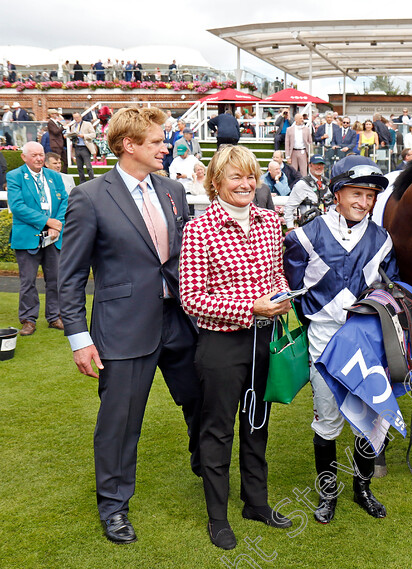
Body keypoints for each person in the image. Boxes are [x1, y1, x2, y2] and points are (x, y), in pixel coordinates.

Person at [58, 107, 202, 544]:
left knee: (204, 398)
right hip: (121, 328)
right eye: (157, 141)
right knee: (120, 422)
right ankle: (114, 507)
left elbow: (180, 255)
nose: (166, 146)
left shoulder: (174, 188)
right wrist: (79, 340)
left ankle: (208, 468)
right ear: (129, 145)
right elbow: (70, 276)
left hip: (179, 319)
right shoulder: (89, 196)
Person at [179, 145, 293, 550]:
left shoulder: (269, 220)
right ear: (215, 183)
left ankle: (255, 503)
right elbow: (192, 297)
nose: (246, 185)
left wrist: (282, 296)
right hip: (222, 344)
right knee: (218, 430)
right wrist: (251, 307)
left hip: (266, 340)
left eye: (250, 177)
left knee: (258, 424)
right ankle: (218, 517)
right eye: (235, 178)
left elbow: (275, 272)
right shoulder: (199, 228)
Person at [283, 156, 397, 524]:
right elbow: (293, 285)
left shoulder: (382, 239)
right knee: (328, 417)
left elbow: (387, 288)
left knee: (368, 414)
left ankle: (363, 488)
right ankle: (327, 492)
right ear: (337, 193)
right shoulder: (305, 235)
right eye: (356, 193)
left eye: (370, 196)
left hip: (365, 337)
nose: (363, 202)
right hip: (325, 338)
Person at [7, 142, 67, 336]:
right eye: (34, 155)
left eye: (41, 155)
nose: (39, 158)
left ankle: (55, 316)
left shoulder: (54, 176)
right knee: (28, 282)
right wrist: (47, 222)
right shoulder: (15, 176)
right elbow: (17, 206)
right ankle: (28, 319)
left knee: (56, 279)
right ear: (24, 157)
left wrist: (56, 224)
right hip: (28, 238)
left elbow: (64, 201)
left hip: (53, 237)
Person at [284, 154, 330, 227]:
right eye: (316, 164)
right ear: (310, 165)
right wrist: (290, 227)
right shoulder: (302, 184)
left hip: (327, 225)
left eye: (321, 164)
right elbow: (289, 207)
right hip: (309, 225)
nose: (319, 167)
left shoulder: (327, 184)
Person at [68, 112, 96, 183]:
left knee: (88, 166)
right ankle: (82, 181)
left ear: (81, 117)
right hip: (77, 146)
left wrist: (84, 136)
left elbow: (93, 134)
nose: (76, 119)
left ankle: (92, 180)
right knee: (79, 167)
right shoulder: (73, 126)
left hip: (85, 147)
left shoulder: (87, 124)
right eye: (74, 118)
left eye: (77, 117)